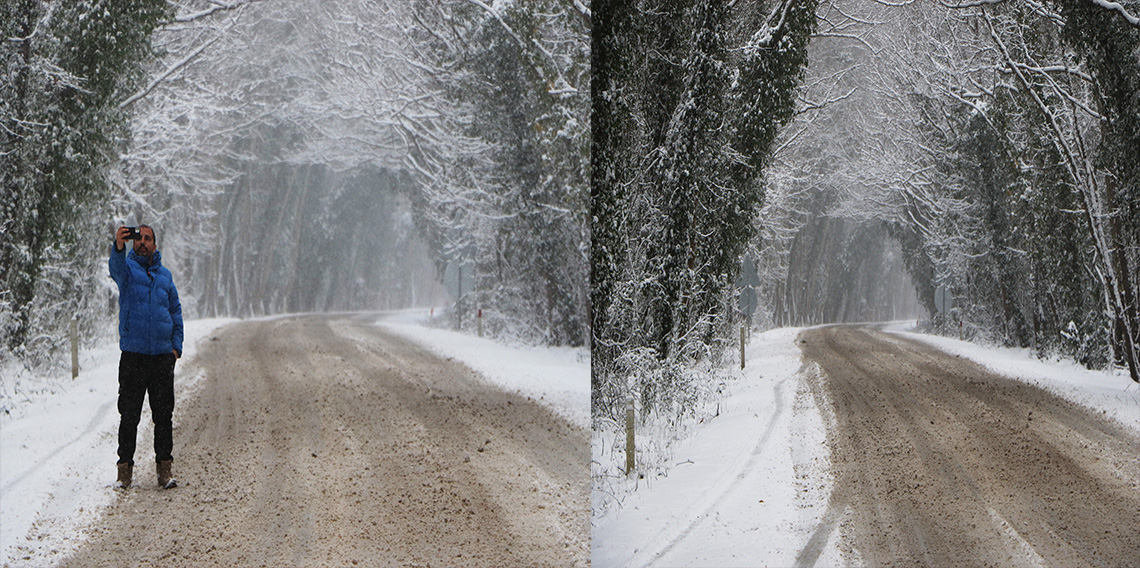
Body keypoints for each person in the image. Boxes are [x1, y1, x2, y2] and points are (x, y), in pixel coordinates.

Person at [109, 224, 183, 490]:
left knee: (163, 416)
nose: (142, 242)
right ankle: (124, 473)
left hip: (162, 357)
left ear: (155, 244)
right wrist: (118, 246)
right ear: (133, 243)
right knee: (129, 415)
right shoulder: (127, 271)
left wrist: (176, 346)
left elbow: (175, 311)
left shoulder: (165, 277)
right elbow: (115, 267)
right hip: (134, 356)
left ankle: (165, 471)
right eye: (137, 238)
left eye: (147, 238)